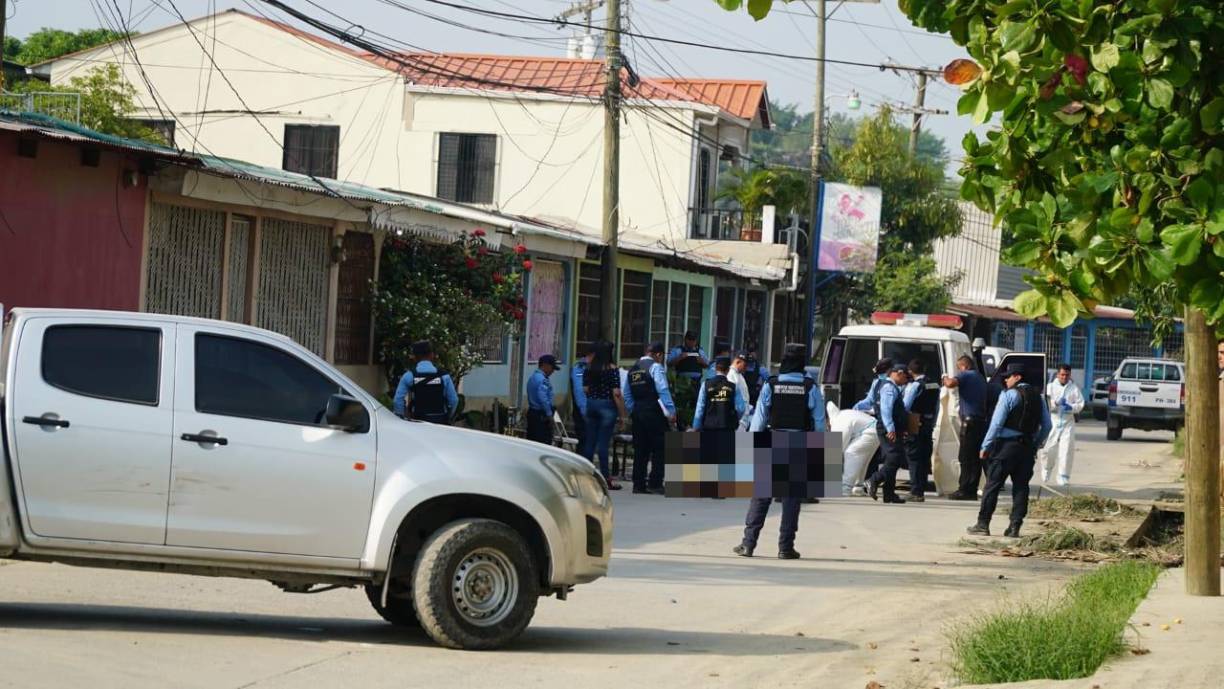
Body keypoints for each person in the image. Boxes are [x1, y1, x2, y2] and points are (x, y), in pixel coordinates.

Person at [732, 343, 826, 560]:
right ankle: (785, 548)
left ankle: (748, 544)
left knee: (761, 497)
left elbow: (759, 419)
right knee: (791, 498)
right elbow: (819, 422)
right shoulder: (810, 386)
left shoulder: (771, 384)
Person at [967, 364, 1052, 538]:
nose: (1005, 380)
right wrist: (1034, 444)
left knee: (992, 485)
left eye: (1008, 376)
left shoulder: (1009, 395)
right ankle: (1014, 526)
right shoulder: (1039, 397)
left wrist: (985, 446)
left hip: (1006, 448)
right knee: (1021, 488)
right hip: (1027, 448)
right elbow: (1047, 426)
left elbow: (996, 424)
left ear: (1018, 377)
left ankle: (983, 524)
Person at [622, 341, 676, 494]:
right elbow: (663, 389)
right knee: (661, 447)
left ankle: (638, 484)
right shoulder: (655, 367)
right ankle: (655, 482)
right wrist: (671, 411)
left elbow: (627, 394)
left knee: (640, 448)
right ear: (658, 354)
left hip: (638, 412)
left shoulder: (633, 369)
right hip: (653, 411)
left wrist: (634, 410)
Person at [863, 363, 912, 504]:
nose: (906, 380)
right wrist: (890, 428)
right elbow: (886, 409)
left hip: (892, 428)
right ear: (899, 373)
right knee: (895, 458)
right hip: (888, 429)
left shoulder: (885, 385)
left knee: (893, 459)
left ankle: (889, 493)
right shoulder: (889, 388)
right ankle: (873, 480)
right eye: (906, 377)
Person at [943, 355, 988, 501]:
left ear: (965, 366)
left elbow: (950, 384)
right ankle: (972, 489)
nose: (958, 370)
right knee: (975, 458)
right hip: (980, 422)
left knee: (965, 457)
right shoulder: (980, 377)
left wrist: (944, 377)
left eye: (959, 367)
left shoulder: (966, 375)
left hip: (970, 422)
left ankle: (964, 490)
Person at [583, 340, 626, 490]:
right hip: (607, 405)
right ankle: (606, 478)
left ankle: (586, 477)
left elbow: (585, 389)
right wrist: (622, 415)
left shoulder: (589, 368)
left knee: (589, 442)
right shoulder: (612, 369)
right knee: (603, 444)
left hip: (592, 404)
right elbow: (616, 393)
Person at [1038, 363, 1085, 487]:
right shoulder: (1050, 387)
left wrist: (1071, 407)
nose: (1064, 377)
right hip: (1053, 420)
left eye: (1067, 375)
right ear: (1058, 374)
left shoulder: (1074, 388)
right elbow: (1044, 403)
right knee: (1048, 448)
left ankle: (1063, 476)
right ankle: (1046, 469)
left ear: (1070, 375)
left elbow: (1080, 404)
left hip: (1067, 422)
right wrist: (1055, 403)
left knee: (1067, 449)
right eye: (1062, 374)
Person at [393, 340, 458, 424]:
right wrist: (448, 416)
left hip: (417, 421)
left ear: (415, 357)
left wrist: (403, 417)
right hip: (440, 422)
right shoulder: (444, 376)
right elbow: (454, 400)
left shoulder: (409, 376)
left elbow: (397, 400)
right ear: (432, 355)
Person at [902, 359, 940, 502]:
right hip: (928, 424)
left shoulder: (915, 386)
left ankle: (915, 491)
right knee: (924, 458)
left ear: (910, 372)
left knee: (914, 458)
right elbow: (937, 406)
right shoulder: (934, 384)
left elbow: (906, 406)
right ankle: (921, 490)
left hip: (915, 423)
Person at [692, 357, 745, 430]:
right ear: (728, 370)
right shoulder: (733, 387)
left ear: (716, 369)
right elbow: (741, 409)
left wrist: (696, 426)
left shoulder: (705, 385)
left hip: (709, 426)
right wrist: (734, 419)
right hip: (727, 426)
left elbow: (700, 408)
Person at [525, 354, 560, 446]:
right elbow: (543, 398)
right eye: (552, 368)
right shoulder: (542, 380)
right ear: (545, 365)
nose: (553, 371)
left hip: (533, 413)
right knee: (542, 444)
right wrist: (549, 415)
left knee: (532, 443)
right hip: (541, 416)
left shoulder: (533, 378)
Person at [571, 348, 593, 456]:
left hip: (589, 411)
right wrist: (585, 413)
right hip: (582, 412)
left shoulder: (592, 367)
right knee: (584, 441)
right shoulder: (579, 368)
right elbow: (579, 392)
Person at [728, 352, 754, 429]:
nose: (746, 368)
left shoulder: (738, 375)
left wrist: (750, 408)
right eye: (745, 365)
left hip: (743, 418)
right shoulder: (731, 375)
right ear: (738, 362)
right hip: (738, 419)